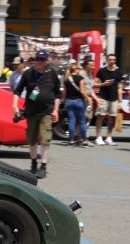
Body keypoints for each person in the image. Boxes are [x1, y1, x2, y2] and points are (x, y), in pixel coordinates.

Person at [13, 50, 61, 179]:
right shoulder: (28, 73)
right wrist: (14, 105)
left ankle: (43, 166)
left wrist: (55, 110)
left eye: (42, 60)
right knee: (32, 139)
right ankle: (33, 163)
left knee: (45, 138)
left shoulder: (52, 74)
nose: (39, 62)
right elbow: (18, 91)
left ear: (47, 61)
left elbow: (58, 94)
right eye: (38, 59)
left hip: (47, 111)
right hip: (31, 111)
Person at [94, 54, 124, 146]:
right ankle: (98, 137)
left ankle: (108, 137)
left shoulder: (118, 72)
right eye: (110, 59)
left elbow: (119, 87)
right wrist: (104, 84)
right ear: (107, 60)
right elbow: (95, 84)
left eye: (113, 59)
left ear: (115, 60)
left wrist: (120, 101)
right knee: (100, 117)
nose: (112, 61)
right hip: (103, 97)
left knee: (112, 118)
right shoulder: (101, 71)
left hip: (114, 98)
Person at [62, 63, 91, 147]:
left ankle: (71, 140)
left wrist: (63, 100)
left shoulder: (66, 79)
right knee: (82, 121)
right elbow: (82, 91)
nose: (80, 70)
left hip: (69, 101)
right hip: (79, 101)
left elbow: (64, 92)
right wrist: (88, 99)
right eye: (79, 69)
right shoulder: (80, 78)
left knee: (72, 121)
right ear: (76, 70)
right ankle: (84, 140)